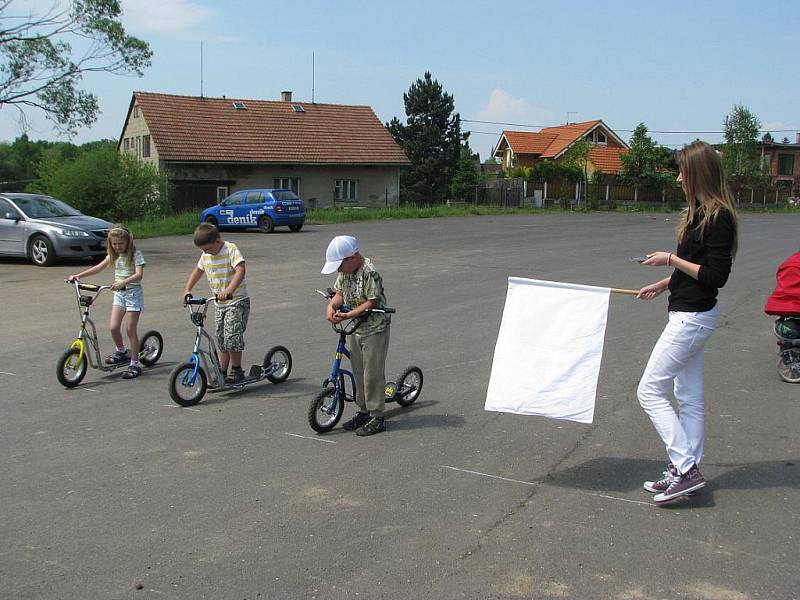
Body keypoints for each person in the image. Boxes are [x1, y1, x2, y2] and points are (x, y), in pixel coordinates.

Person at [636, 140, 739, 504]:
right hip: (687, 312)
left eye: (683, 171)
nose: (679, 177)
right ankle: (686, 470)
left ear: (698, 174)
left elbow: (714, 276)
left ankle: (685, 467)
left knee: (648, 391)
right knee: (688, 397)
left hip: (692, 319)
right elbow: (694, 267)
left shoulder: (719, 217)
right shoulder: (696, 214)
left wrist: (670, 261)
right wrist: (663, 284)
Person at [322, 235, 391, 436]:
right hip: (357, 327)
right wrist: (331, 307)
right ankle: (364, 410)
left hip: (375, 329)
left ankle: (377, 416)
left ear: (351, 258)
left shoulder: (370, 272)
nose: (338, 270)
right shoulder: (345, 272)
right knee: (359, 371)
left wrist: (349, 314)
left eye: (339, 266)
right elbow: (339, 294)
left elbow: (372, 302)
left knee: (372, 374)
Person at [69, 224, 146, 379]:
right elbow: (98, 267)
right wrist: (79, 276)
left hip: (133, 294)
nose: (117, 246)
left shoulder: (135, 254)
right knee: (113, 327)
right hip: (119, 294)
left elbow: (139, 275)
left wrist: (123, 282)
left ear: (128, 242)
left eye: (120, 243)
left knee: (130, 330)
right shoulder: (114, 255)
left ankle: (135, 363)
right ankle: (121, 350)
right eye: (114, 244)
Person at [182, 223, 249, 383]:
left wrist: (230, 289)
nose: (206, 253)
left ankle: (237, 370)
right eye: (203, 250)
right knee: (220, 338)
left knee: (232, 336)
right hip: (219, 303)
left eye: (208, 249)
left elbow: (240, 269)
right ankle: (222, 372)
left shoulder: (230, 249)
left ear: (218, 241)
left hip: (237, 300)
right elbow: (198, 270)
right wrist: (187, 289)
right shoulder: (206, 255)